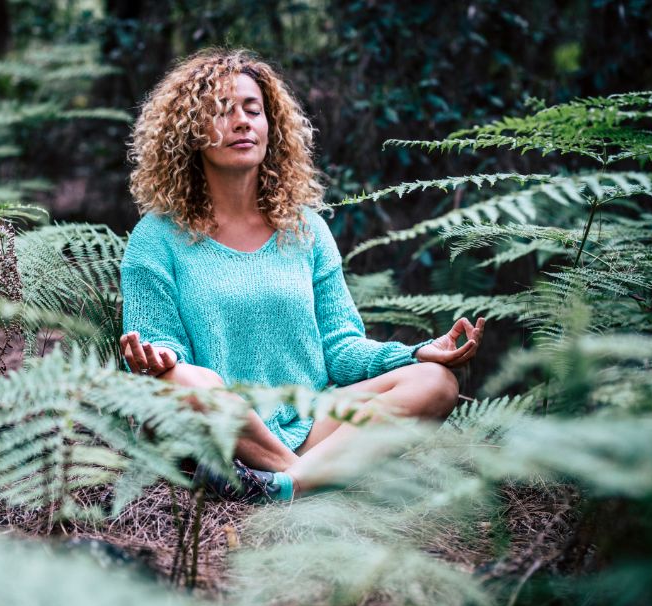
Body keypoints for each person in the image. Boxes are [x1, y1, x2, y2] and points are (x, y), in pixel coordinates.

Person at [119, 49, 484, 502]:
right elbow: (161, 348)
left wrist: (416, 352)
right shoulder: (156, 238)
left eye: (253, 110)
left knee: (434, 382)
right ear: (189, 132)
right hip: (221, 435)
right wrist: (157, 360)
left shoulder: (305, 229)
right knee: (184, 381)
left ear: (272, 127)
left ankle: (281, 487)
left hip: (309, 421)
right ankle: (302, 478)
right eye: (220, 111)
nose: (241, 122)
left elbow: (340, 347)